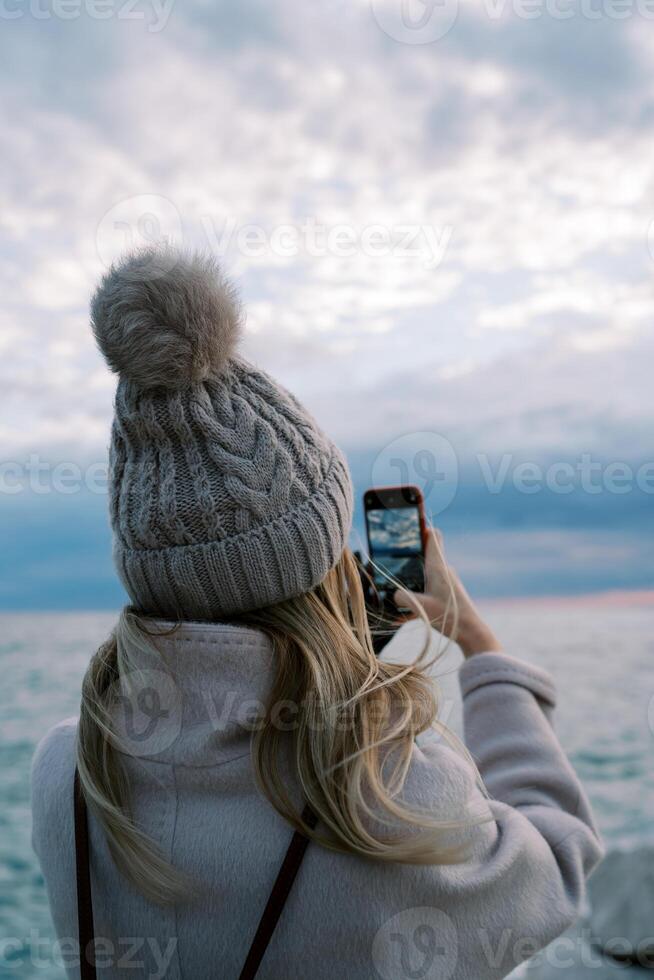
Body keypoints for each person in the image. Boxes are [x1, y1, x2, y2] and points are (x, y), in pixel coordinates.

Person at [31, 247, 603, 980]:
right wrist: (476, 640)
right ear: (328, 571)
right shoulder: (389, 799)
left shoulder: (70, 775)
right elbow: (556, 863)